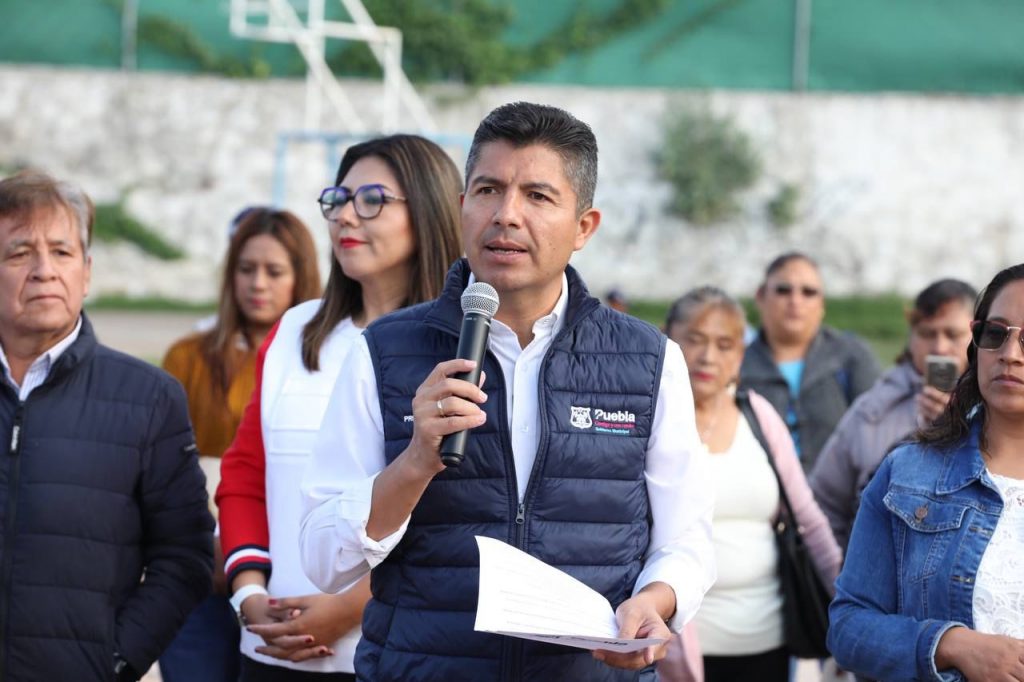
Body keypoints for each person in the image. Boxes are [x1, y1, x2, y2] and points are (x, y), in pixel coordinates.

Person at [299, 102, 716, 682]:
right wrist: (415, 462)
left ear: (584, 227)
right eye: (488, 190)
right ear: (462, 206)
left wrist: (657, 600)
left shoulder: (649, 360)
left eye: (537, 196)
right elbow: (324, 559)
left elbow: (687, 539)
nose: (506, 215)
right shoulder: (384, 351)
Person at [216, 134, 464, 681]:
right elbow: (246, 476)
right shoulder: (294, 331)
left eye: (373, 200)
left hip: (396, 654)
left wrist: (349, 607)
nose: (346, 216)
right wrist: (249, 594)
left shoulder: (460, 347)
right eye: (338, 199)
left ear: (429, 211)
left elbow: (459, 511)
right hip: (271, 649)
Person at [0, 170, 214, 680]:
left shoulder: (150, 397)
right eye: (19, 253)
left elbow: (184, 556)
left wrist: (113, 660)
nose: (44, 271)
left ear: (87, 272)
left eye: (62, 252)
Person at [829, 263, 1024, 681]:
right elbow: (848, 627)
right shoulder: (909, 472)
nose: (1010, 354)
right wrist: (948, 645)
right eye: (995, 334)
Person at [159, 208, 321, 682]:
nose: (258, 283)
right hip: (204, 564)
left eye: (274, 271)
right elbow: (164, 470)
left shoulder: (326, 359)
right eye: (246, 269)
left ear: (301, 276)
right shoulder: (187, 357)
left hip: (290, 570)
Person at [657, 287, 840, 682]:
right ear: (667, 340)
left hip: (767, 644)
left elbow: (807, 519)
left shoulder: (758, 415)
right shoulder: (652, 418)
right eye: (695, 339)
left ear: (740, 356)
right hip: (673, 653)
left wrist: (848, 604)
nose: (708, 356)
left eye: (725, 345)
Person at [810, 278, 977, 551]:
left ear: (977, 337)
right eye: (927, 333)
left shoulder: (999, 410)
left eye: (952, 334)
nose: (939, 347)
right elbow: (824, 501)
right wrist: (842, 569)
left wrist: (959, 424)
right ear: (911, 338)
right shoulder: (874, 408)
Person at [739, 252, 881, 472]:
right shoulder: (737, 363)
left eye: (808, 292)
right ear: (760, 296)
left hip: (838, 491)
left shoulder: (851, 356)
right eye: (783, 290)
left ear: (822, 303)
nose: (795, 301)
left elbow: (877, 431)